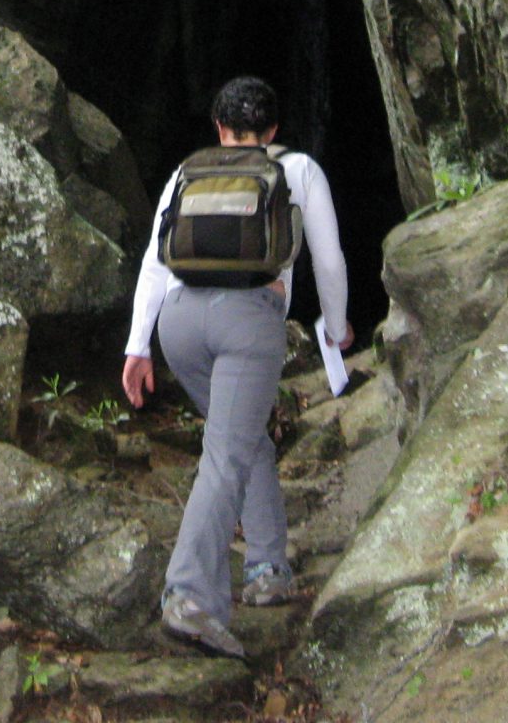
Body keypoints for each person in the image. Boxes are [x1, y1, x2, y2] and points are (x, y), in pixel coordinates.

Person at [120, 76, 350, 659]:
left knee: (243, 441)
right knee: (226, 454)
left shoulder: (187, 173)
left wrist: (137, 347)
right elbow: (328, 259)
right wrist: (336, 324)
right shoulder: (297, 170)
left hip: (177, 324)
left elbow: (154, 262)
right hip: (246, 322)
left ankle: (269, 567)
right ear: (272, 131)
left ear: (220, 129)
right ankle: (190, 595)